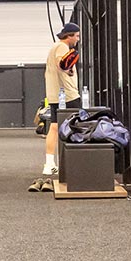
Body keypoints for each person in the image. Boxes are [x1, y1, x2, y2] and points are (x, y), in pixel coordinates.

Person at [41, 22, 81, 178]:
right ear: (68, 36)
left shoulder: (56, 47)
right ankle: (77, 163)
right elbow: (61, 63)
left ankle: (49, 164)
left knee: (55, 128)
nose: (77, 39)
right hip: (68, 95)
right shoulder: (62, 47)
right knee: (78, 126)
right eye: (76, 36)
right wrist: (66, 67)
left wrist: (68, 69)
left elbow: (64, 67)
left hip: (56, 95)